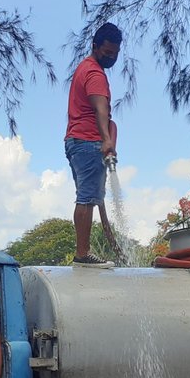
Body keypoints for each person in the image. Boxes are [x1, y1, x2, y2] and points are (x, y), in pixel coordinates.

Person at [66, 22, 123, 267]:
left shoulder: (84, 68)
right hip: (89, 143)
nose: (111, 57)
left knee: (88, 198)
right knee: (87, 199)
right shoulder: (94, 74)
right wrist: (107, 140)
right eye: (107, 52)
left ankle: (83, 252)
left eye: (115, 53)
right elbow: (101, 109)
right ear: (95, 46)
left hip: (77, 142)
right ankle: (82, 255)